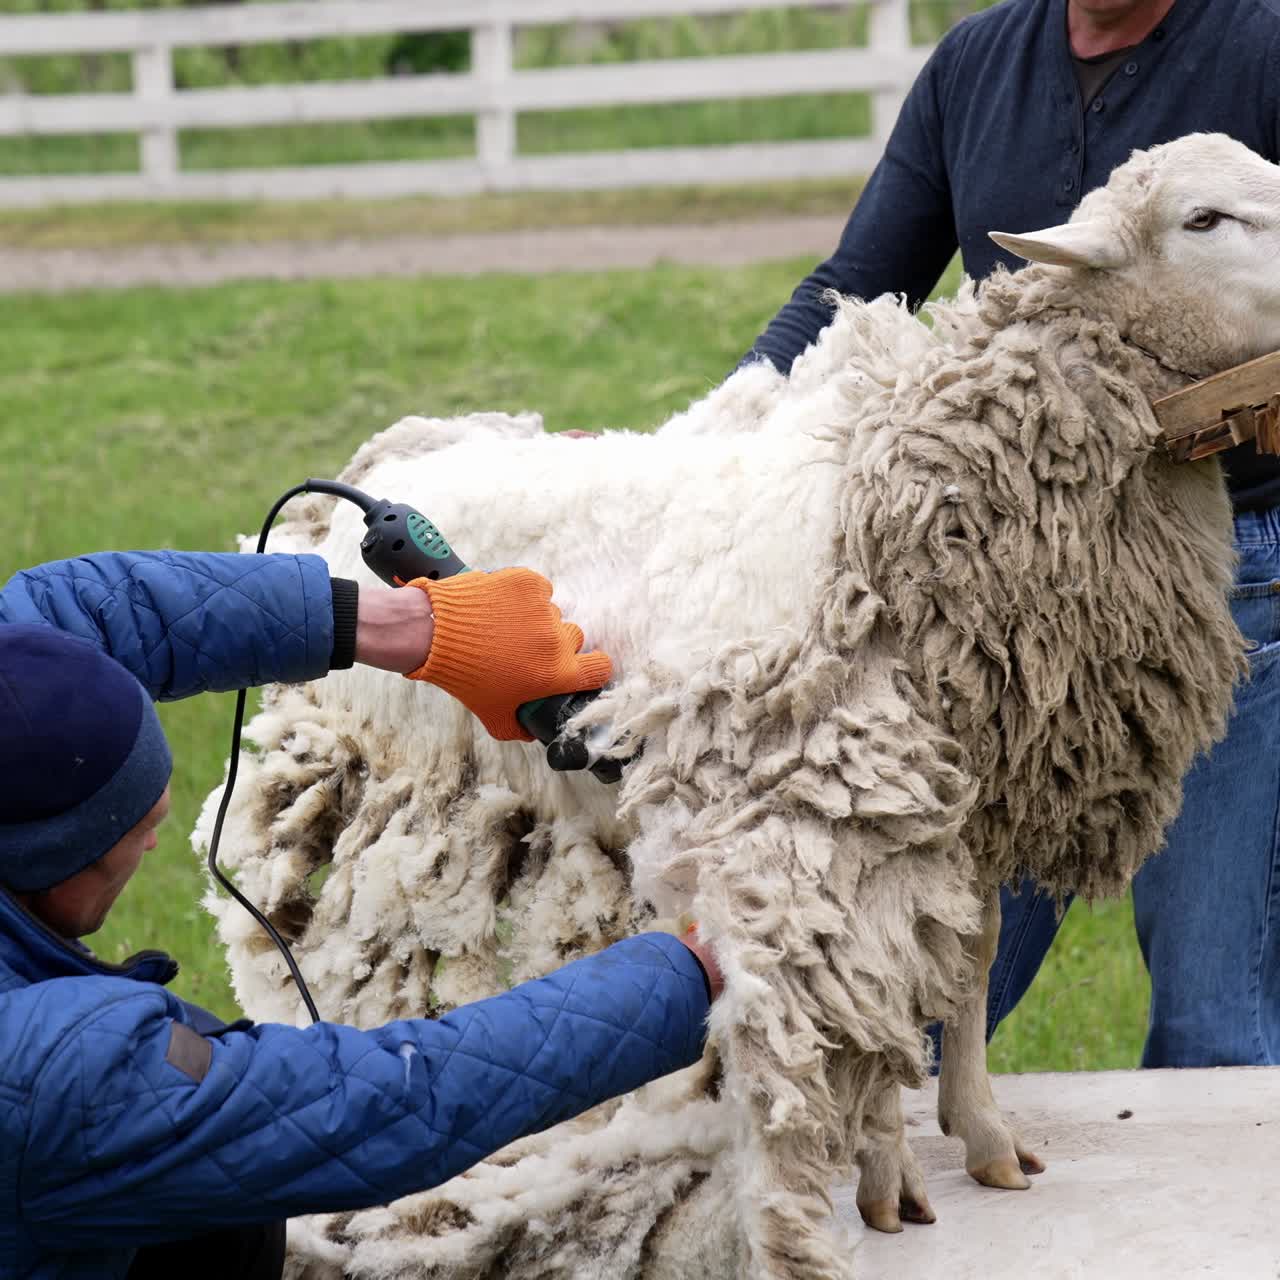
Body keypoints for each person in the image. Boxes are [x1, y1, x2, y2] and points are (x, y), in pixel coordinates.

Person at [741, 0, 1280, 1068]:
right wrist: (726, 418)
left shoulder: (1257, 46)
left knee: (1214, 1007)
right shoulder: (976, 63)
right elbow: (858, 281)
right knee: (924, 985)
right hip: (1018, 607)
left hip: (1233, 583)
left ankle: (1221, 1235)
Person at [0, 548, 723, 1279]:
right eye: (134, 830)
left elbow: (84, 613)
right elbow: (378, 1102)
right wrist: (684, 977)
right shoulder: (51, 1079)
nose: (156, 839)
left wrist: (417, 627)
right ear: (50, 858)